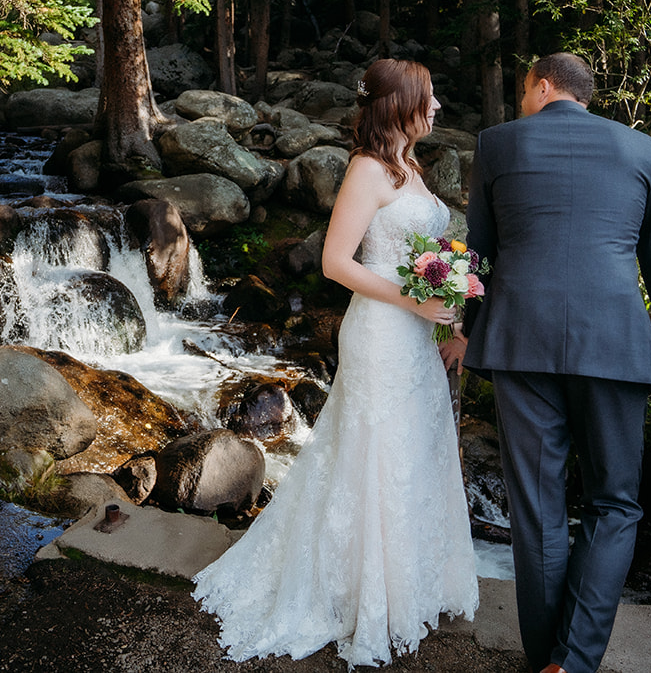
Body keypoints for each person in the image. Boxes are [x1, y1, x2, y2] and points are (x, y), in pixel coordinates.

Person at [192, 58, 479, 667]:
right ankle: (360, 591)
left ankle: (408, 581)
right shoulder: (367, 169)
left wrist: (448, 300)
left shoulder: (410, 167)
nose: (435, 110)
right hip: (380, 331)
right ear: (398, 105)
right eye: (427, 100)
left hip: (415, 335)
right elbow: (335, 264)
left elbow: (422, 254)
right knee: (373, 451)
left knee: (413, 449)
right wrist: (413, 300)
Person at [459, 52, 651, 673]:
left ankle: (545, 662)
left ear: (542, 86)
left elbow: (478, 254)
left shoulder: (496, 144)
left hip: (519, 344)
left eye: (525, 90)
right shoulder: (639, 149)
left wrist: (468, 334)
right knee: (614, 504)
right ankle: (574, 663)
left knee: (538, 511)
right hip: (613, 343)